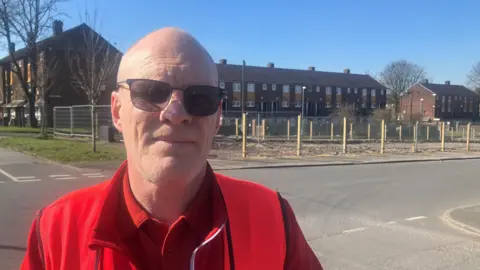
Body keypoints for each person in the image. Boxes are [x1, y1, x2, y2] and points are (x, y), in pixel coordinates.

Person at [20, 27, 323, 270]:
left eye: (200, 97)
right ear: (116, 111)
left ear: (218, 116)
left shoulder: (272, 219)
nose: (176, 113)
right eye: (151, 92)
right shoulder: (55, 231)